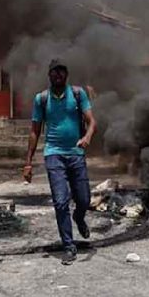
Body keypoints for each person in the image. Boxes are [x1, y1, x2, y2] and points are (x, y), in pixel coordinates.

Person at [23, 59, 96, 265]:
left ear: (67, 74)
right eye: (54, 72)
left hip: (76, 153)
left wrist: (88, 136)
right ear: (49, 75)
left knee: (84, 199)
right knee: (60, 201)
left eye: (62, 71)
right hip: (53, 154)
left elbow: (92, 121)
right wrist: (28, 163)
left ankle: (79, 218)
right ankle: (68, 245)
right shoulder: (42, 99)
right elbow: (34, 131)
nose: (58, 75)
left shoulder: (78, 94)